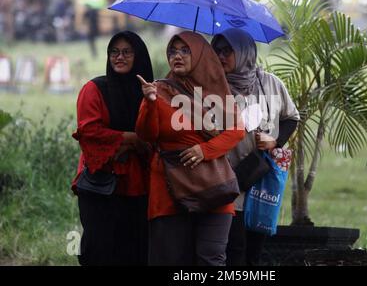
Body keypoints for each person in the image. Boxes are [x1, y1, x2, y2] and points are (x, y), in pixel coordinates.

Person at [135, 31, 245, 266]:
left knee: (211, 259)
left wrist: (204, 150)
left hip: (212, 185)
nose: (178, 56)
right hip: (170, 187)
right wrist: (150, 102)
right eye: (173, 51)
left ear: (200, 55)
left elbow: (237, 130)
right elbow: (146, 135)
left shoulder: (216, 90)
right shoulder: (161, 90)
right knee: (171, 259)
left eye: (186, 51)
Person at [211, 28, 300, 266]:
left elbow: (291, 117)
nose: (220, 56)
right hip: (229, 179)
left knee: (255, 248)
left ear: (244, 53)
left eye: (227, 51)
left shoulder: (270, 83)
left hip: (261, 179)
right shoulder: (211, 87)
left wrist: (275, 142)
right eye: (216, 51)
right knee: (234, 246)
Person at [71, 31, 154, 266]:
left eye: (127, 52)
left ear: (139, 56)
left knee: (135, 250)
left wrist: (151, 103)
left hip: (139, 185)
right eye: (114, 52)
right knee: (100, 250)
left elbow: (157, 135)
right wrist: (132, 138)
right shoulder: (94, 89)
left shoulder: (149, 91)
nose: (119, 57)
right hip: (101, 185)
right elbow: (89, 132)